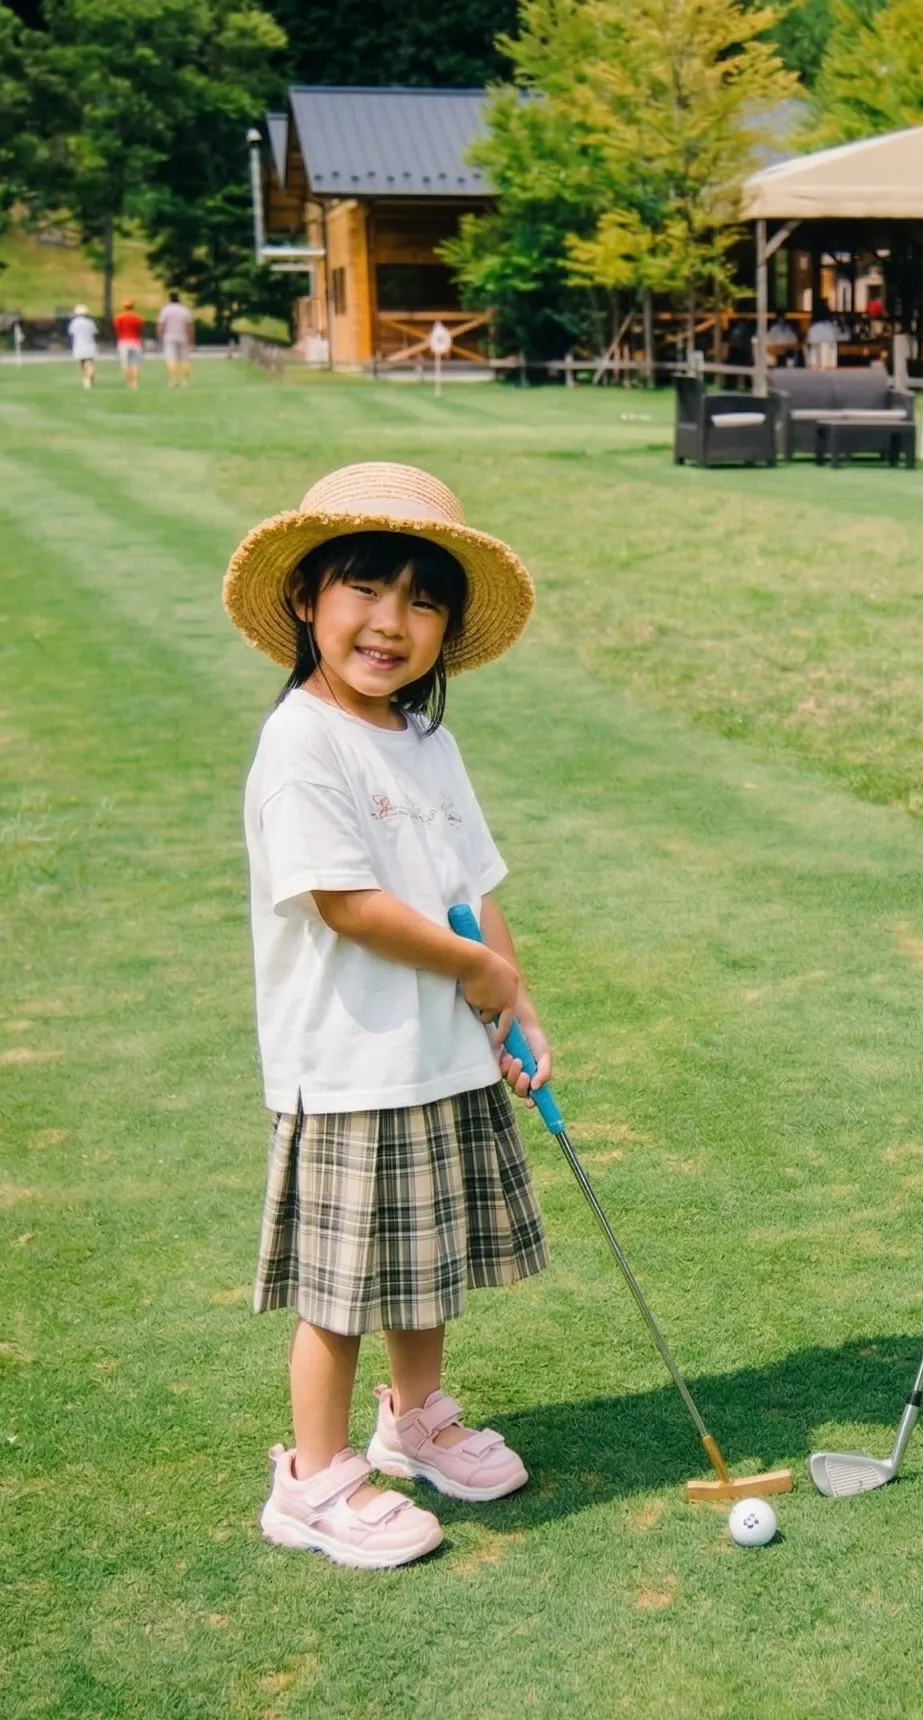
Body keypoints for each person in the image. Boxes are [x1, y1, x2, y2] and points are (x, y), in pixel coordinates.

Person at [223, 461, 552, 1570]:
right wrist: (480, 973)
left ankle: (415, 1419)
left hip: (439, 1053)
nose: (390, 621)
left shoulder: (426, 740)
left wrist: (513, 1001)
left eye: (422, 599)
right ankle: (311, 1482)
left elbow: (473, 883)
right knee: (341, 1289)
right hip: (351, 1062)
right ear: (307, 599)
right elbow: (346, 903)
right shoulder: (303, 741)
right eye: (365, 588)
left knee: (423, 1263)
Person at [157, 291, 194, 388]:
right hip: (183, 336)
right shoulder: (185, 310)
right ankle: (185, 381)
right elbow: (189, 326)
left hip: (169, 337)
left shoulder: (165, 310)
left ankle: (172, 380)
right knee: (184, 359)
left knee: (171, 359)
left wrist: (159, 337)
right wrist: (191, 339)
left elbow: (161, 325)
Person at [113, 298, 145, 389]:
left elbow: (117, 330)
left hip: (123, 341)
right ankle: (135, 383)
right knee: (135, 363)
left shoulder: (119, 317)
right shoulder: (138, 318)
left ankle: (129, 382)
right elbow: (140, 330)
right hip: (135, 341)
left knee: (125, 363)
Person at [67, 304, 100, 388]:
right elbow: (95, 333)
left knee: (82, 364)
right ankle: (89, 379)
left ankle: (85, 379)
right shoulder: (89, 322)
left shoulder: (74, 322)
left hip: (78, 345)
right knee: (90, 364)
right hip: (90, 345)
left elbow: (71, 333)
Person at [805, 296, 840, 371]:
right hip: (830, 362)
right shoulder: (831, 327)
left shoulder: (813, 328)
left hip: (814, 363)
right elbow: (836, 338)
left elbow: (809, 341)